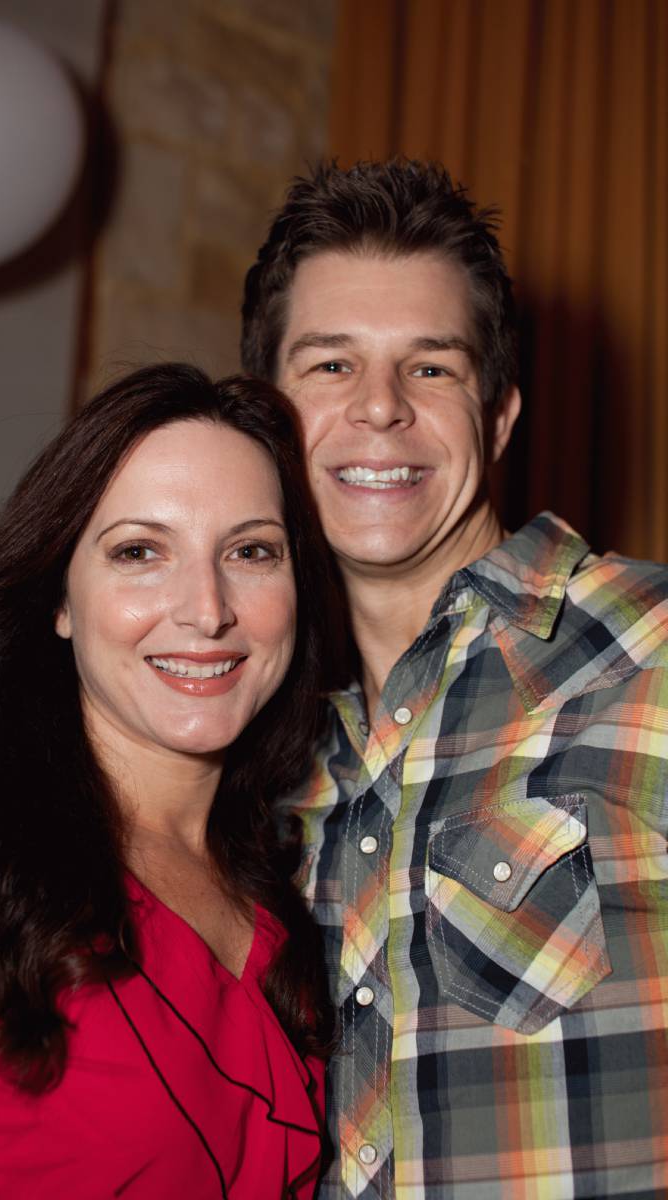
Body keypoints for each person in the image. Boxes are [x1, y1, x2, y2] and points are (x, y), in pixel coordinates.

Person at [240, 159, 668, 1199]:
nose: (379, 408)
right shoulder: (244, 743)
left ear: (500, 415)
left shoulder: (652, 648)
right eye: (330, 365)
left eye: (429, 368)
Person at [0, 363, 343, 1198]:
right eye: (139, 552)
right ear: (60, 599)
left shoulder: (292, 895)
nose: (207, 609)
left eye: (251, 551)